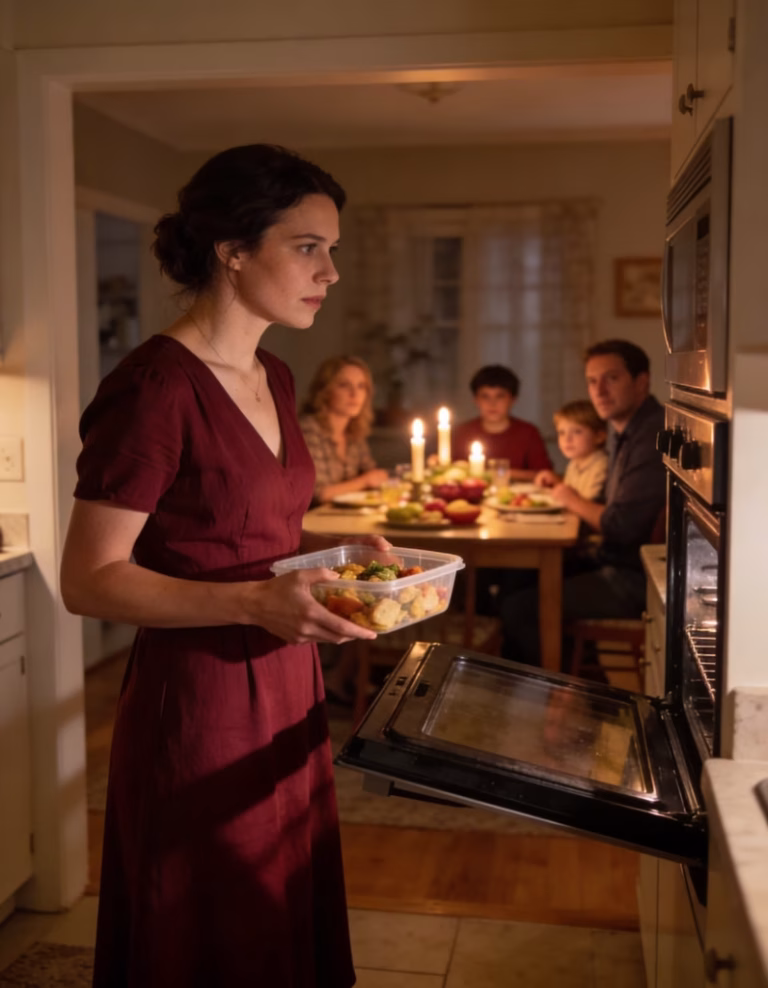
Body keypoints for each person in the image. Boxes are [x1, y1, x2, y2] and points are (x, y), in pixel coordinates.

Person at [60, 144, 391, 988]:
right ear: (233, 249)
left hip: (286, 680)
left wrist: (344, 561)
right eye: (308, 247)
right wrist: (253, 606)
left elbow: (247, 536)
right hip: (199, 698)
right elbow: (90, 579)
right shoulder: (154, 389)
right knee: (215, 915)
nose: (331, 272)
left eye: (332, 250)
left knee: (280, 894)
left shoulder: (275, 374)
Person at [500, 340, 666, 667]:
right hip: (616, 559)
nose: (599, 391)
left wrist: (570, 498)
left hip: (634, 577)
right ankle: (578, 674)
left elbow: (620, 526)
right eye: (592, 381)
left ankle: (559, 696)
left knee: (518, 607)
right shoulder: (626, 430)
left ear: (642, 381)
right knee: (511, 578)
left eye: (612, 378)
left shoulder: (651, 437)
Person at [300, 354, 388, 504]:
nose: (354, 394)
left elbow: (375, 475)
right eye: (344, 385)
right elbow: (317, 493)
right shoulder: (309, 430)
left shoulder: (354, 432)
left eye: (361, 386)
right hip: (312, 521)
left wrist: (374, 478)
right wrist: (365, 481)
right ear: (325, 390)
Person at [452, 364, 552, 480]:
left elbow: (544, 474)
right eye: (485, 396)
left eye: (500, 396)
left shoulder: (528, 432)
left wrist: (494, 473)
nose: (492, 404)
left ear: (513, 399)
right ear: (476, 400)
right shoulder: (463, 432)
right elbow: (451, 469)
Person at [534, 399, 608, 502]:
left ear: (599, 436)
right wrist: (556, 483)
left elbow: (587, 505)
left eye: (577, 432)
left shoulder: (602, 465)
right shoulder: (573, 464)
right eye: (561, 432)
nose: (567, 439)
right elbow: (571, 494)